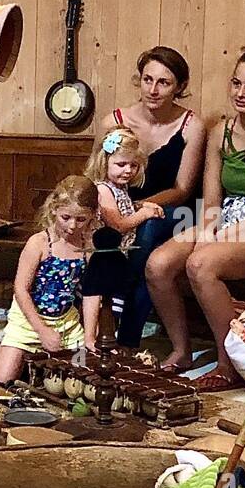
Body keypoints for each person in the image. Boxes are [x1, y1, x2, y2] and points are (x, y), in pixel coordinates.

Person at [146, 41, 245, 392]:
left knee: (201, 265)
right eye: (236, 83)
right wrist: (206, 229)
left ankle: (227, 363)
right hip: (227, 217)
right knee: (159, 264)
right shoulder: (221, 131)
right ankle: (181, 350)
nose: (241, 93)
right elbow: (213, 201)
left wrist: (221, 236)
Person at [92, 46, 206, 346]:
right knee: (148, 260)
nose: (153, 90)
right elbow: (96, 174)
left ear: (179, 87)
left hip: (174, 210)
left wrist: (142, 207)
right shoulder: (113, 122)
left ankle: (121, 296)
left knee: (150, 226)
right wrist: (122, 209)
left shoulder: (191, 125)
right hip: (119, 207)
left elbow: (183, 189)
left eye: (164, 83)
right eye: (147, 79)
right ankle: (124, 340)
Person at [0, 175, 99, 384]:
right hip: (28, 321)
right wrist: (42, 330)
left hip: (66, 322)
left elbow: (91, 293)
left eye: (81, 219)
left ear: (93, 215)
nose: (73, 226)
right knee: (1, 379)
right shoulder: (39, 243)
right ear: (54, 209)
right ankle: (8, 349)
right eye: (66, 217)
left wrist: (89, 338)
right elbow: (20, 289)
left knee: (82, 379)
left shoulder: (89, 246)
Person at [80, 128, 164, 347]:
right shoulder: (102, 190)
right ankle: (100, 340)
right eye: (121, 165)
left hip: (124, 253)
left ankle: (121, 341)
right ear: (104, 162)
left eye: (133, 165)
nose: (128, 170)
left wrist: (141, 205)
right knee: (106, 304)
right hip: (106, 255)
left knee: (132, 294)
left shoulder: (120, 188)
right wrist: (144, 214)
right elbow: (118, 224)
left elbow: (125, 208)